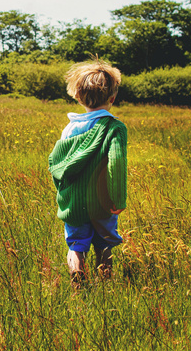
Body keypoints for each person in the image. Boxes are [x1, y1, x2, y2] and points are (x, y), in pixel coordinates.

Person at [48, 58, 128, 287]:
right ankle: (105, 285)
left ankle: (77, 281)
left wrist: (64, 194)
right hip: (102, 202)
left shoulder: (69, 128)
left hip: (73, 201)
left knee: (76, 245)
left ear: (79, 97)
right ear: (112, 99)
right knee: (104, 244)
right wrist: (118, 199)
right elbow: (117, 163)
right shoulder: (114, 127)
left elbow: (58, 165)